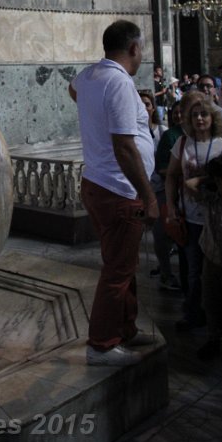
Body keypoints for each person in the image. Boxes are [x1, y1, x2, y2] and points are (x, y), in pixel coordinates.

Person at [69, 20, 158, 367]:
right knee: (117, 271)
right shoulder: (119, 84)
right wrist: (148, 196)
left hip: (98, 184)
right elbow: (124, 147)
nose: (142, 54)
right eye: (142, 48)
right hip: (119, 191)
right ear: (134, 48)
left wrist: (92, 111)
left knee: (123, 264)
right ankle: (102, 345)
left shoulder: (90, 75)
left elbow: (71, 90)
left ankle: (126, 328)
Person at [165, 96, 222, 330]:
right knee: (193, 272)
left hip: (216, 219)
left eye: (204, 114)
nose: (200, 118)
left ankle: (217, 324)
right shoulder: (182, 143)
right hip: (190, 217)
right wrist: (171, 206)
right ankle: (193, 315)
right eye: (194, 115)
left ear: (213, 117)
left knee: (217, 273)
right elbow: (171, 175)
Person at [184, 155, 222, 360]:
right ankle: (213, 339)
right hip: (211, 259)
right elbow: (189, 184)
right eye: (218, 179)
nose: (220, 184)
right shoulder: (212, 199)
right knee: (211, 302)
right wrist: (208, 179)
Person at [151, 99, 183, 290]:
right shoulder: (170, 135)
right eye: (175, 113)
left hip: (186, 193)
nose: (179, 116)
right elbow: (163, 166)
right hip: (162, 189)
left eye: (182, 112)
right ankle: (165, 271)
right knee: (162, 233)